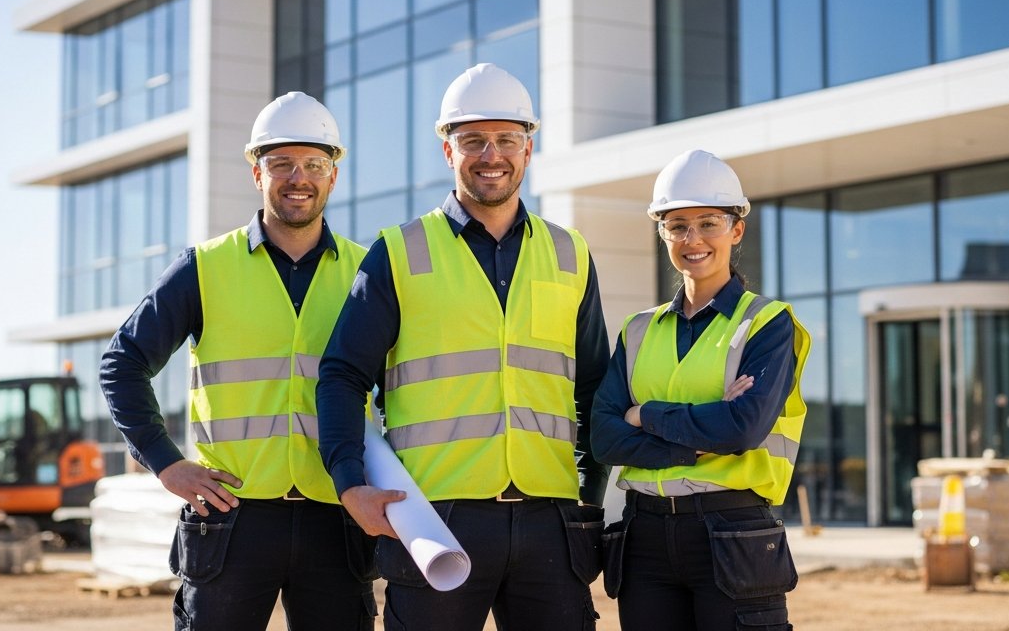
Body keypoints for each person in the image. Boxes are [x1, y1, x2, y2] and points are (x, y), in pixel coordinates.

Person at [316, 63, 610, 631]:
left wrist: (589, 497)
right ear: (448, 151)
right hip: (434, 519)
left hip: (550, 520)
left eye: (506, 139)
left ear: (529, 149)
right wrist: (350, 482)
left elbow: (595, 388)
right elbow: (342, 376)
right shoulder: (398, 253)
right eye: (472, 140)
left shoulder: (570, 253)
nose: (490, 154)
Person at [99, 92, 375, 631]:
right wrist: (166, 462)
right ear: (257, 173)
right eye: (281, 164)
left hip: (336, 515)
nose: (299, 177)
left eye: (314, 164)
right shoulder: (204, 267)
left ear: (333, 175)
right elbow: (121, 363)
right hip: (230, 516)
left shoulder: (368, 274)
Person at [591, 149, 811, 631]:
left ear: (737, 229)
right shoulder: (637, 330)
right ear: (662, 233)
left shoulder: (768, 325)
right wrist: (700, 439)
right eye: (677, 225)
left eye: (708, 223)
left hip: (733, 534)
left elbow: (742, 429)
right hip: (644, 536)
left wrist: (643, 414)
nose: (692, 239)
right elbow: (604, 439)